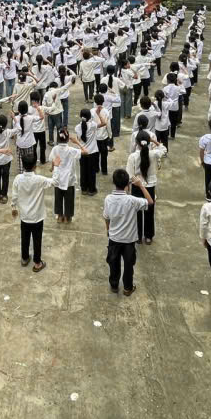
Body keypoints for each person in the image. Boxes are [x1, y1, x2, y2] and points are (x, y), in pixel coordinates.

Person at [104, 167, 155, 295]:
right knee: (128, 265)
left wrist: (108, 230)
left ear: (114, 182)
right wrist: (141, 185)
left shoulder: (108, 199)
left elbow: (106, 217)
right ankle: (127, 288)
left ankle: (114, 285)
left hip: (114, 238)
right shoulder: (132, 200)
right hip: (129, 240)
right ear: (128, 184)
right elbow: (150, 202)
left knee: (113, 263)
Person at [9, 150, 55, 272]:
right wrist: (56, 167)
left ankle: (24, 258)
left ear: (23, 165)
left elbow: (14, 196)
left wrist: (13, 208)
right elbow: (55, 182)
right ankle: (37, 263)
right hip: (37, 217)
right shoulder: (40, 180)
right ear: (35, 166)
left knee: (25, 238)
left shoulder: (18, 179)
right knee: (37, 239)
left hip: (24, 216)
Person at [127, 130, 167, 244]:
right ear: (148, 142)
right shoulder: (154, 154)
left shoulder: (133, 156)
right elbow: (164, 149)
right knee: (149, 211)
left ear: (136, 142)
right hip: (150, 187)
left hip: (137, 186)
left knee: (137, 212)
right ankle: (148, 236)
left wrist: (135, 182)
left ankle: (138, 236)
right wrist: (154, 140)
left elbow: (129, 175)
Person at [50, 126, 82, 224]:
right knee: (69, 198)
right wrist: (77, 142)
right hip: (69, 179)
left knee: (58, 197)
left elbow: (53, 160)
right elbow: (86, 151)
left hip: (58, 178)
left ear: (57, 138)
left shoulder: (55, 149)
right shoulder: (71, 150)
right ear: (68, 139)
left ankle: (60, 216)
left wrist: (52, 168)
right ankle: (68, 217)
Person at [76, 108, 99, 196]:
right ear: (89, 116)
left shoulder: (77, 127)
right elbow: (103, 123)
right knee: (92, 172)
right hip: (92, 153)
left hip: (82, 152)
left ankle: (84, 189)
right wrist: (98, 113)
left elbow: (78, 139)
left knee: (83, 171)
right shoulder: (93, 125)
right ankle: (91, 190)